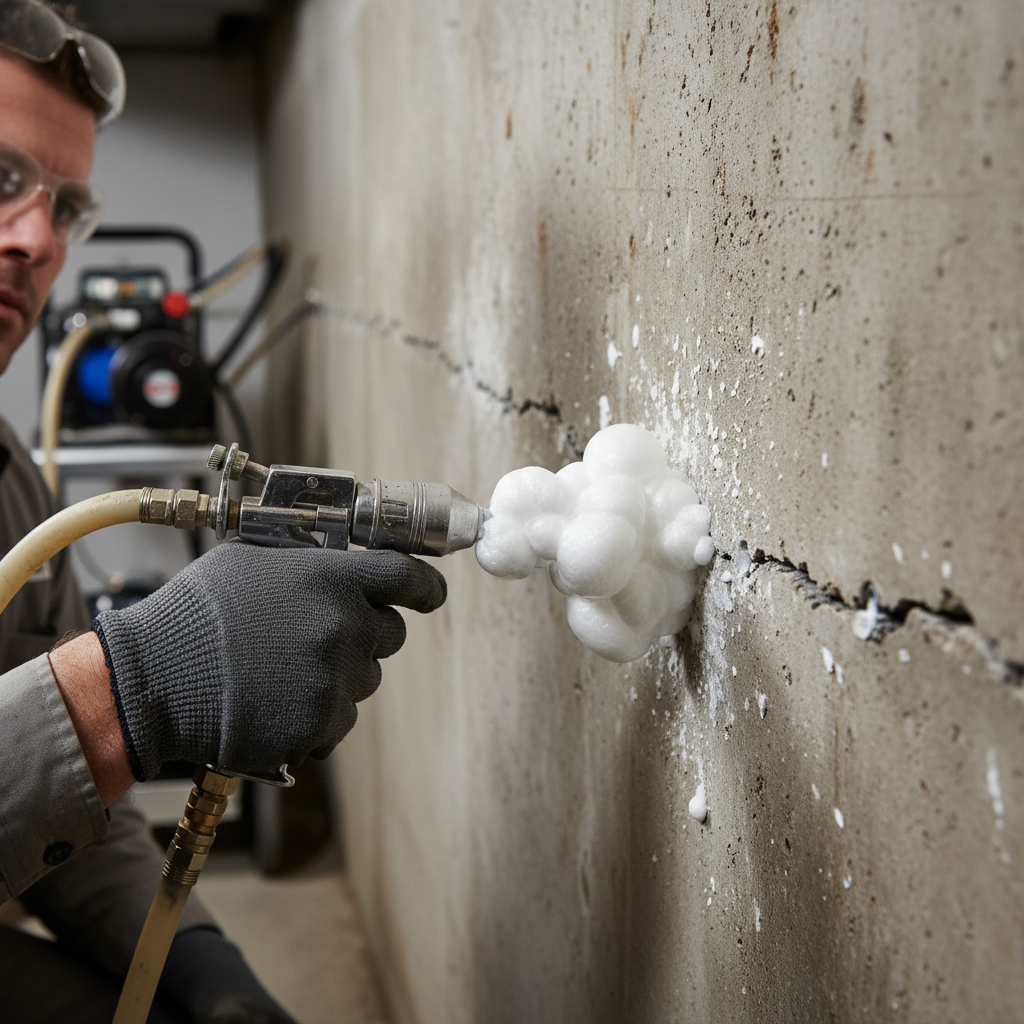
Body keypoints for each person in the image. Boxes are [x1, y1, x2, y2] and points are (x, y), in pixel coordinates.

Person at [0, 2, 448, 1020]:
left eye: (67, 206)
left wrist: (201, 963)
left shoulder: (12, 484)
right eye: (1, 180)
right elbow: (89, 726)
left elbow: (71, 797)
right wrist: (138, 682)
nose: (37, 237)